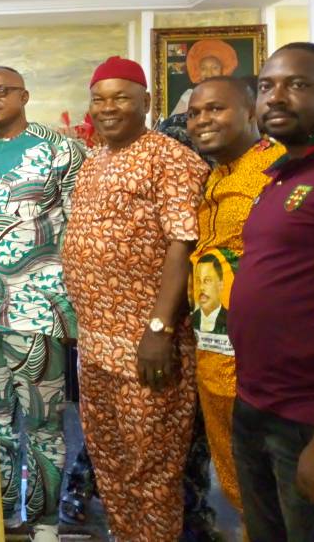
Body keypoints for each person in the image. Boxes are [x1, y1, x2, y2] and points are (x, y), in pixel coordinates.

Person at [63, 56, 208, 542]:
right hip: (95, 346)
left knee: (151, 470)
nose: (108, 108)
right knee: (109, 463)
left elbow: (183, 244)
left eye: (121, 98)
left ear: (146, 102)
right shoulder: (93, 161)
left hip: (145, 347)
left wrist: (159, 330)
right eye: (99, 99)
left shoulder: (171, 158)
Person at [0, 67, 85, 541]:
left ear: (25, 96)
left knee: (44, 423)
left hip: (40, 312)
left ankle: (46, 521)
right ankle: (2, 512)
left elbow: (78, 230)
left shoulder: (61, 151)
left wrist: (70, 312)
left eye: (2, 91)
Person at [230, 43, 314, 540]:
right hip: (257, 405)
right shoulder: (281, 175)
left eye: (297, 85)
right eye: (266, 86)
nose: (275, 97)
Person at [185, 75, 284, 520]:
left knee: (278, 492)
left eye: (215, 109)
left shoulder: (278, 169)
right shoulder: (215, 175)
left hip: (265, 366)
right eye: (194, 113)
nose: (202, 120)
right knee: (241, 488)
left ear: (250, 112)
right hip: (214, 354)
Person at [189, 256, 228, 335]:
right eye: (198, 281)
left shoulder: (233, 322)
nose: (201, 287)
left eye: (207, 280)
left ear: (221, 285)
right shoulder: (190, 321)